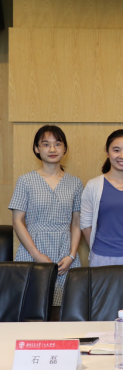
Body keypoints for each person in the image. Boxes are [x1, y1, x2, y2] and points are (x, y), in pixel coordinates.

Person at [9, 125, 83, 311]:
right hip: (32, 250)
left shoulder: (75, 183)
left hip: (65, 253)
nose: (52, 149)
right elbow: (17, 221)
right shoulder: (25, 180)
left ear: (65, 149)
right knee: (31, 309)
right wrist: (36, 255)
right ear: (37, 148)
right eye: (46, 144)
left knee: (66, 310)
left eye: (57, 144)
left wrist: (72, 255)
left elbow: (76, 222)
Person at [81, 130, 123, 267]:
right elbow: (85, 224)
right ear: (107, 152)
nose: (122, 156)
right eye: (116, 150)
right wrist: (100, 249)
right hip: (101, 258)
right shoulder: (93, 185)